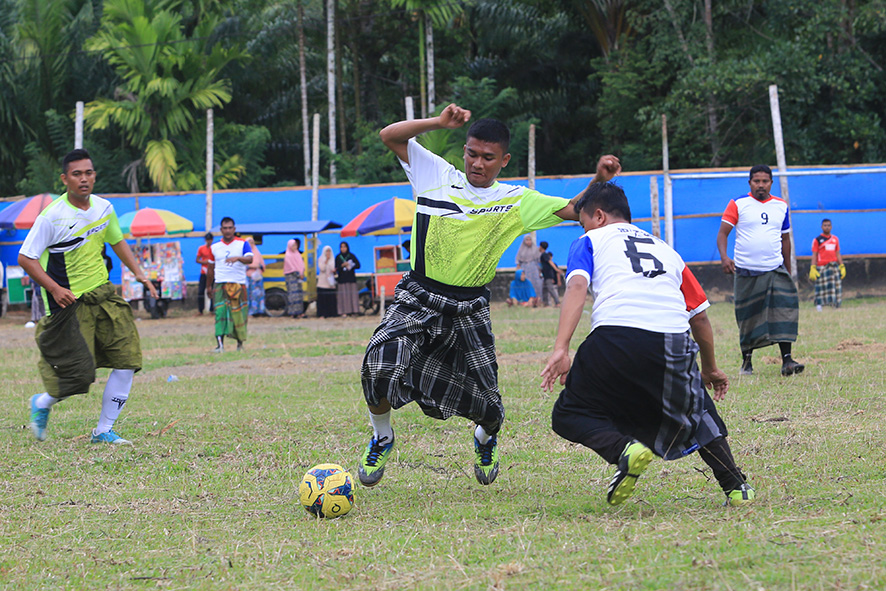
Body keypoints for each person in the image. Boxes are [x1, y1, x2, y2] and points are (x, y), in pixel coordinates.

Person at [358, 102, 620, 488]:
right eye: (472, 154)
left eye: (488, 158)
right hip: (417, 296)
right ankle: (382, 436)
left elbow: (575, 210)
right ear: (463, 150)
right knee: (378, 365)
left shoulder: (516, 200)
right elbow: (389, 135)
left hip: (469, 309)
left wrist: (599, 180)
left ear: (504, 160)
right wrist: (437, 122)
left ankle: (485, 438)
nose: (477, 164)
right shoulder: (434, 174)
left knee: (489, 407)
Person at [541, 182, 754, 507]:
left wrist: (561, 347)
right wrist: (709, 368)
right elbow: (698, 317)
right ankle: (736, 486)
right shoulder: (666, 249)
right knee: (696, 406)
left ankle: (624, 450)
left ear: (597, 216)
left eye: (581, 221)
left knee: (569, 413)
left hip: (614, 338)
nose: (582, 227)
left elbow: (577, 286)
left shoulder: (588, 240)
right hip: (673, 341)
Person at [18, 148, 158, 445]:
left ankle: (103, 430)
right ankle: (42, 403)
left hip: (104, 295)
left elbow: (117, 241)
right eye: (77, 174)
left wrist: (140, 273)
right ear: (65, 179)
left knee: (127, 359)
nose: (84, 179)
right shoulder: (51, 217)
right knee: (79, 376)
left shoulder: (104, 208)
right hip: (69, 304)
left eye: (89, 173)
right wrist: (55, 289)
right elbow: (26, 258)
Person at [716, 165, 805, 377]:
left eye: (765, 181)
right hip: (746, 271)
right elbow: (722, 234)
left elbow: (785, 239)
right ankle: (747, 362)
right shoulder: (738, 204)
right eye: (757, 181)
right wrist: (725, 258)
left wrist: (788, 270)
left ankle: (787, 361)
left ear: (771, 183)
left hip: (775, 269)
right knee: (748, 316)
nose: (761, 185)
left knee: (784, 309)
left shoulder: (781, 206)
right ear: (750, 183)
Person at [209, 217, 252, 352]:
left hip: (238, 283)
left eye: (230, 228)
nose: (227, 231)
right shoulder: (214, 247)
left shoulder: (243, 244)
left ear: (234, 229)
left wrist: (238, 258)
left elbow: (250, 259)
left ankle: (240, 344)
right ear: (221, 230)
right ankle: (220, 345)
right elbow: (210, 268)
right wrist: (208, 286)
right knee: (220, 313)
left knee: (238, 313)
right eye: (225, 228)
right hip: (220, 283)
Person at [809, 218, 845, 311]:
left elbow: (838, 253)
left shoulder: (835, 239)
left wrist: (841, 266)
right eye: (825, 225)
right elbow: (814, 254)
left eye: (829, 225)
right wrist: (813, 267)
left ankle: (835, 304)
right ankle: (819, 305)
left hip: (833, 266)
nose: (827, 227)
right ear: (821, 227)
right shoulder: (817, 240)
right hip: (822, 266)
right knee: (821, 286)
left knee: (835, 286)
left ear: (831, 227)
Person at [515, 234, 542, 307]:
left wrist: (540, 271)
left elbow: (539, 260)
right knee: (527, 283)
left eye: (530, 240)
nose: (529, 242)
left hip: (534, 268)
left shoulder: (535, 249)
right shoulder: (521, 250)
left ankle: (537, 301)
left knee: (536, 283)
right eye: (527, 240)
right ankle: (527, 300)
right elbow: (518, 261)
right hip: (525, 268)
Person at [335, 241, 361, 316]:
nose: (343, 248)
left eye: (344, 247)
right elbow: (336, 268)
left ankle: (354, 311)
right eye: (341, 247)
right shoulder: (338, 257)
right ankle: (344, 311)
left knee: (352, 295)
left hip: (351, 278)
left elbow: (358, 265)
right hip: (342, 279)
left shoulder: (351, 256)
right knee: (343, 296)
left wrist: (351, 265)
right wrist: (342, 265)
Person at [284, 238, 306, 318]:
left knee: (299, 294)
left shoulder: (297, 254)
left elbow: (301, 264)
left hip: (299, 277)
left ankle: (300, 312)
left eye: (295, 245)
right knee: (293, 295)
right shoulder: (288, 255)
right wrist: (298, 274)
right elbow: (291, 267)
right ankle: (292, 312)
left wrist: (302, 272)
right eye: (293, 246)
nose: (295, 247)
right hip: (291, 277)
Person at [246, 236, 268, 317]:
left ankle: (259, 310)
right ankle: (250, 311)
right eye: (249, 243)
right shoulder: (244, 253)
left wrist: (258, 267)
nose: (251, 244)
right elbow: (243, 266)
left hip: (257, 278)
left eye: (252, 242)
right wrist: (252, 267)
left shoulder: (257, 252)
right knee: (250, 295)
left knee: (259, 294)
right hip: (249, 278)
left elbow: (262, 264)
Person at [539, 240, 564, 307]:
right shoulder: (542, 255)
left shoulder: (545, 255)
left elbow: (550, 262)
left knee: (550, 289)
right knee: (544, 289)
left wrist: (556, 269)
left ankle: (557, 302)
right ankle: (546, 303)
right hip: (545, 275)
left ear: (541, 247)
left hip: (548, 275)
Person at [316, 245, 338, 318]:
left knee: (331, 299)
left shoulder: (333, 259)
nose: (328, 253)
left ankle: (331, 313)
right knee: (323, 299)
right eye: (327, 251)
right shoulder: (320, 259)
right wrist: (326, 261)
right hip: (322, 282)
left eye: (329, 251)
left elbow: (333, 269)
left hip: (330, 282)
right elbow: (322, 269)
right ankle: (322, 314)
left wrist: (334, 271)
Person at [195, 232, 214, 315]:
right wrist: (204, 262)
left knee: (212, 290)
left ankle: (211, 310)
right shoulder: (201, 248)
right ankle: (200, 310)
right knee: (201, 291)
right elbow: (197, 259)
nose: (208, 241)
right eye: (207, 240)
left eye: (210, 240)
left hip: (212, 272)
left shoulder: (214, 248)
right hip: (203, 272)